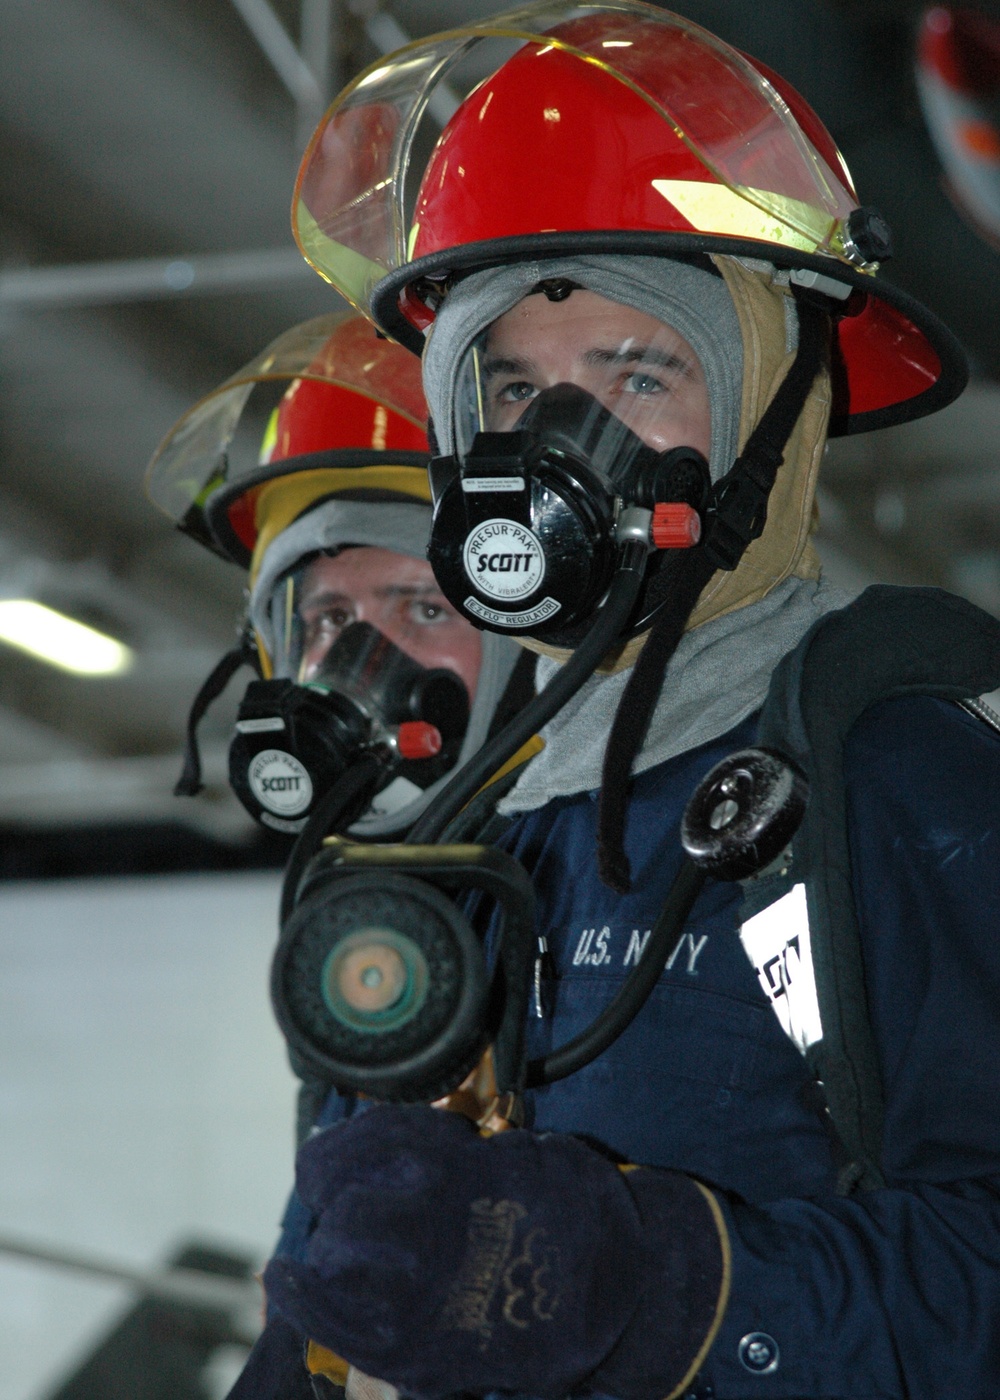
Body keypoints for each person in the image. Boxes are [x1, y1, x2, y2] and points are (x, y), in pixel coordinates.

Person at [231, 5, 1000, 1398]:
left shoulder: (897, 770)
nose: (549, 448)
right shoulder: (461, 842)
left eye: (634, 375)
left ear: (773, 407)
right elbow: (341, 1301)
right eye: (509, 387)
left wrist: (669, 1290)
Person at [147, 311, 527, 842]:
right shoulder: (342, 905)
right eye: (331, 617)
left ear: (533, 637)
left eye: (427, 609)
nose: (361, 658)